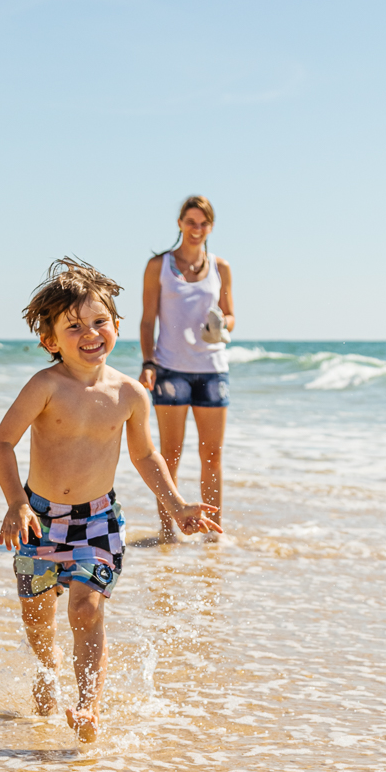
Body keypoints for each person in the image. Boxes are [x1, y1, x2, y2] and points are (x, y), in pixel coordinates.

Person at [0, 258, 220, 742]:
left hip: (98, 521)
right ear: (51, 340)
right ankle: (47, 670)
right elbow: (3, 443)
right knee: (37, 618)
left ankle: (87, 705)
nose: (90, 333)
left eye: (99, 321)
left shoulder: (130, 394)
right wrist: (16, 502)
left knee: (85, 609)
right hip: (39, 519)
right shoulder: (45, 386)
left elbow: (145, 456)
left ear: (116, 324)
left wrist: (177, 505)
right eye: (74, 326)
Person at [138, 196, 234, 541]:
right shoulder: (159, 266)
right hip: (170, 368)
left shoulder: (221, 267)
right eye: (191, 222)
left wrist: (222, 324)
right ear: (180, 223)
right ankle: (169, 534)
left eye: (203, 223)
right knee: (170, 455)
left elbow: (231, 316)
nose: (197, 229)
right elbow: (147, 320)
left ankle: (213, 536)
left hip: (212, 369)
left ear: (211, 227)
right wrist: (148, 362)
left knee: (212, 455)